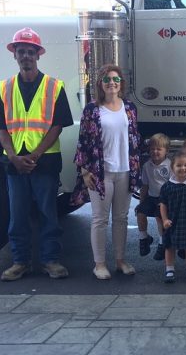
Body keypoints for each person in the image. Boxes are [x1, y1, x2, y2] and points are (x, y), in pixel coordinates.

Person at [0, 27, 73, 281]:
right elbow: (2, 128)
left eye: (30, 51)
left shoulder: (54, 87)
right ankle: (20, 262)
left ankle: (50, 261)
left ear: (38, 55)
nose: (26, 56)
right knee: (17, 216)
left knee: (49, 215)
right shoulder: (5, 88)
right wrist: (14, 156)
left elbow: (57, 126)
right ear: (14, 55)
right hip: (16, 163)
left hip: (44, 162)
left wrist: (35, 155)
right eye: (21, 51)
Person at [73, 64, 141, 280]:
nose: (112, 83)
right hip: (100, 172)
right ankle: (99, 264)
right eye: (107, 80)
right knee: (100, 219)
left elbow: (134, 138)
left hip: (125, 170)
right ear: (100, 85)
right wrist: (85, 171)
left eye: (116, 79)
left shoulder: (129, 108)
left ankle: (120, 260)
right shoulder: (92, 110)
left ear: (121, 84)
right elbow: (83, 141)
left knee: (120, 218)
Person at [159, 151, 186, 283]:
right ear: (172, 168)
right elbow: (163, 205)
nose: (183, 168)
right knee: (169, 245)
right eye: (179, 165)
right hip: (172, 220)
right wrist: (165, 219)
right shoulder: (167, 187)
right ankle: (169, 269)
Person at [137, 133, 171, 260]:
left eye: (158, 149)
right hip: (151, 197)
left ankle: (162, 243)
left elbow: (173, 184)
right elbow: (144, 186)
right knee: (140, 213)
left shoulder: (170, 165)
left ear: (166, 151)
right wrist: (141, 202)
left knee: (159, 217)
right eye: (152, 149)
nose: (155, 152)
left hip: (164, 199)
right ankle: (144, 238)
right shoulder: (147, 165)